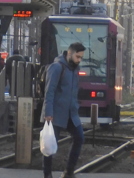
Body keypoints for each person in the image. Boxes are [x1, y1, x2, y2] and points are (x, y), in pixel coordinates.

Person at [42, 42, 85, 178]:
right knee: (50, 145)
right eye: (78, 57)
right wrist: (48, 112)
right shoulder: (56, 67)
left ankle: (69, 172)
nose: (79, 60)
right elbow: (49, 91)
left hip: (71, 113)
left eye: (81, 58)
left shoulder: (74, 69)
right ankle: (47, 174)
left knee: (79, 137)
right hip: (56, 113)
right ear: (70, 53)